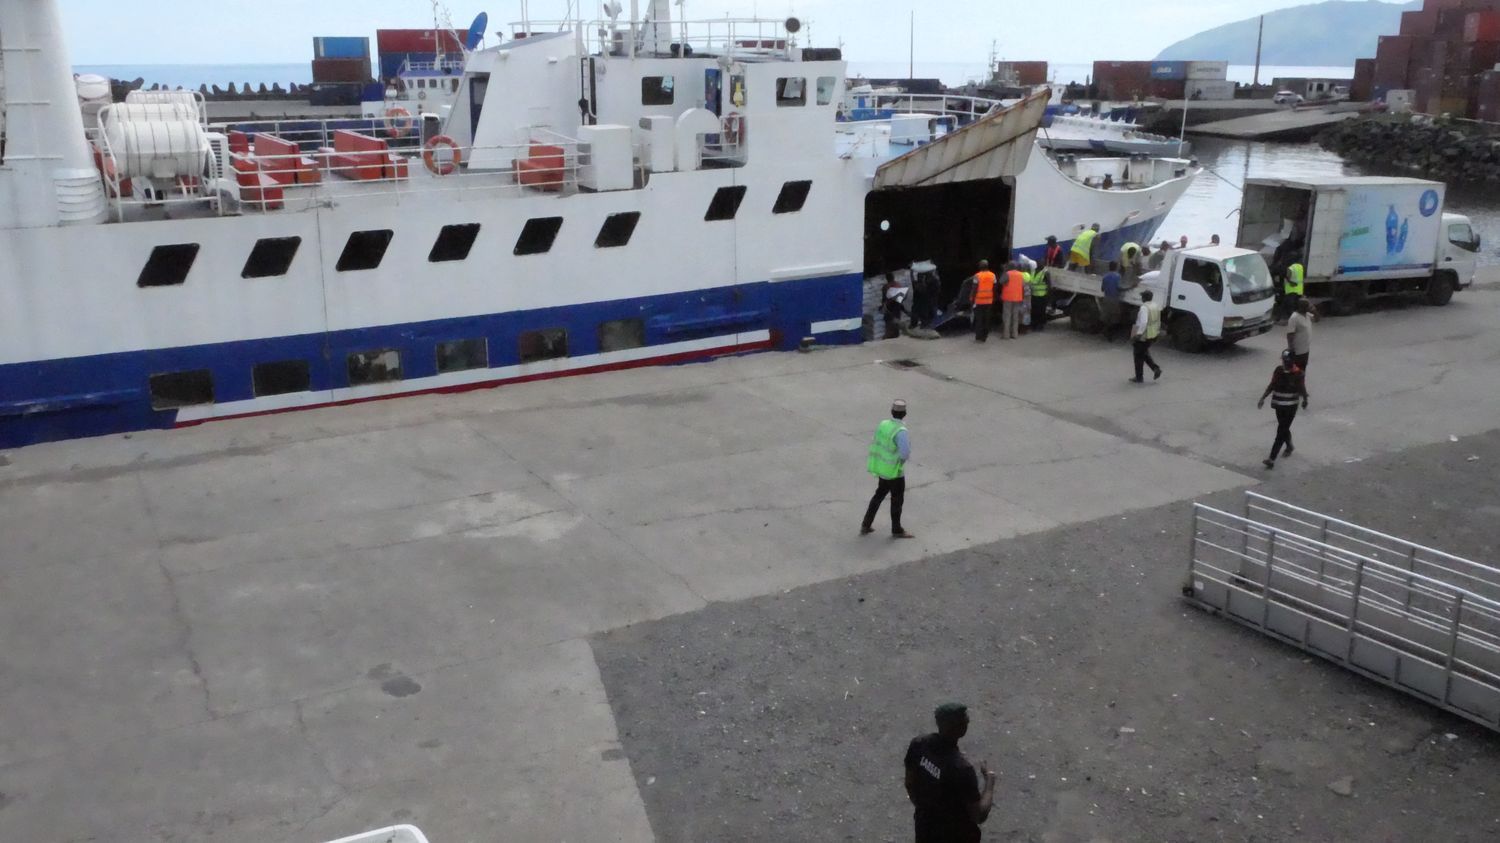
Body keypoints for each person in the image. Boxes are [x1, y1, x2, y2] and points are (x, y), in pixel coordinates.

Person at [904, 703, 997, 843]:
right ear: (958, 728)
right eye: (964, 718)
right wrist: (989, 781)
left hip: (925, 829)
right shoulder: (961, 769)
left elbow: (909, 783)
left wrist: (924, 808)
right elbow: (979, 815)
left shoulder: (919, 745)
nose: (968, 720)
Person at [862, 399, 915, 538]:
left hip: (882, 469)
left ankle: (866, 524)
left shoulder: (883, 424)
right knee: (897, 500)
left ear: (892, 412)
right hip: (894, 473)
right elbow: (905, 453)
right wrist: (899, 464)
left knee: (878, 495)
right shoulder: (901, 431)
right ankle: (896, 529)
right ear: (904, 413)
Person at [1258, 349, 1309, 470]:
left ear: (1292, 361)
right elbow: (1272, 384)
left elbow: (1302, 388)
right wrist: (1263, 397)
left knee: (1281, 431)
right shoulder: (1279, 370)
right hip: (1279, 405)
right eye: (1284, 361)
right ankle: (1289, 446)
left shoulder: (1298, 373)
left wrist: (1305, 400)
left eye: (1287, 361)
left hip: (1291, 407)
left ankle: (1271, 458)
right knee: (1283, 427)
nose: (1285, 363)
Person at [1130, 289, 1163, 383]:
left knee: (1138, 355)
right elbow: (1158, 320)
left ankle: (1139, 377)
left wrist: (1138, 334)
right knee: (1143, 353)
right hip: (1152, 333)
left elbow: (1143, 322)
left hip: (1143, 334)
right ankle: (1155, 369)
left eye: (1142, 296)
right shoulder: (1155, 306)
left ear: (1144, 298)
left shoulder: (1144, 308)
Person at [969, 261, 996, 343]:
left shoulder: (977, 276)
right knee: (987, 319)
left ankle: (978, 336)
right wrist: (994, 297)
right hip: (989, 300)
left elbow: (974, 288)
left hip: (979, 301)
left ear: (980, 267)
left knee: (979, 319)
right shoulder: (993, 275)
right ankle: (985, 336)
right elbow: (995, 287)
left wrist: (972, 299)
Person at [1286, 296, 1314, 371]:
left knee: (1302, 370)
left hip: (1305, 349)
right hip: (1297, 351)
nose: (1309, 307)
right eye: (1308, 306)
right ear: (1303, 307)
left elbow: (1317, 319)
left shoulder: (1307, 315)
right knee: (1297, 371)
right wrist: (1291, 348)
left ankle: (1301, 382)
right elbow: (1290, 334)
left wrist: (1314, 310)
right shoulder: (1294, 318)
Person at [1000, 262, 1026, 339]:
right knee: (1015, 316)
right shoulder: (1021, 274)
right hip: (1017, 297)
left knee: (1007, 316)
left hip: (1008, 297)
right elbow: (1023, 286)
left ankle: (1006, 335)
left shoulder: (1007, 273)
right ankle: (1015, 334)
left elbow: (1001, 281)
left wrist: (1004, 271)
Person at [1100, 261, 1123, 342]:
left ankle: (1105, 331)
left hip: (1106, 298)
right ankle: (1110, 335)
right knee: (1114, 318)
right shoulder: (1118, 276)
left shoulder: (1105, 276)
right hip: (1114, 299)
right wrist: (1130, 287)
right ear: (1116, 267)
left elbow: (1102, 289)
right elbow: (1119, 288)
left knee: (1106, 316)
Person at [1028, 260, 1050, 332]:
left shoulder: (1045, 272)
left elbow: (1049, 284)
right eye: (1037, 263)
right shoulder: (1034, 271)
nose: (1038, 265)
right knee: (1034, 310)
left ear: (1043, 264)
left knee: (1041, 311)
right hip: (1034, 295)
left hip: (1042, 295)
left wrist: (1047, 294)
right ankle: (1034, 324)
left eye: (1040, 263)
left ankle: (1040, 325)